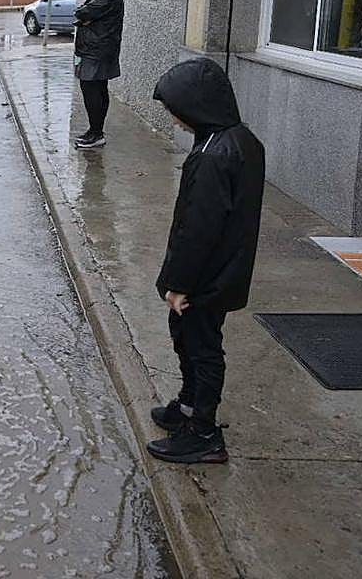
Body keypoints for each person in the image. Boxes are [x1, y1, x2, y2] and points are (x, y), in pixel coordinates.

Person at [147, 57, 265, 465]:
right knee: (192, 338)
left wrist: (176, 284)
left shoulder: (213, 156)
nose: (174, 119)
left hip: (205, 278)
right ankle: (187, 405)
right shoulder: (242, 141)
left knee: (201, 346)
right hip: (223, 269)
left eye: (175, 111)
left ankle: (204, 432)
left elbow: (198, 229)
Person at [72, 0, 124, 149]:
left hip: (97, 50)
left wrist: (84, 17)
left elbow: (83, 12)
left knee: (92, 90)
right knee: (98, 90)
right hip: (100, 48)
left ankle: (96, 133)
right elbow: (85, 15)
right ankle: (95, 131)